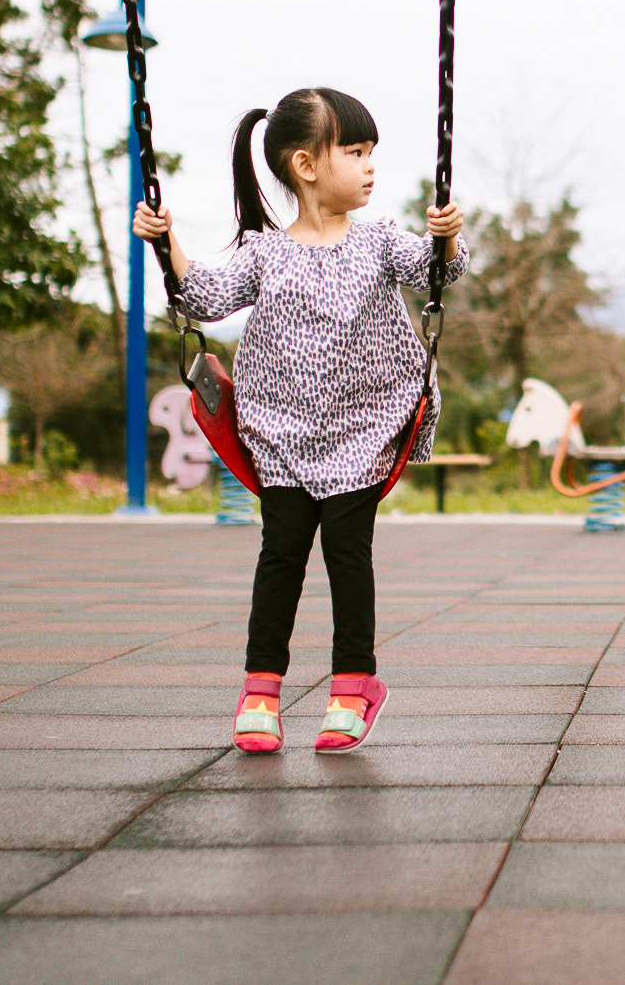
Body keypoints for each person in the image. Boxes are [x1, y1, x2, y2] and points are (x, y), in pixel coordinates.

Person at [133, 86, 468, 754]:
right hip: (282, 436)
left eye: (372, 152)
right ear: (306, 165)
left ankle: (354, 683)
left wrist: (447, 235)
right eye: (355, 151)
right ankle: (260, 687)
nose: (370, 165)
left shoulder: (379, 243)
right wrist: (167, 241)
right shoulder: (265, 252)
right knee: (280, 555)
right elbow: (204, 295)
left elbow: (440, 273)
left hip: (362, 433)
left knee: (348, 553)